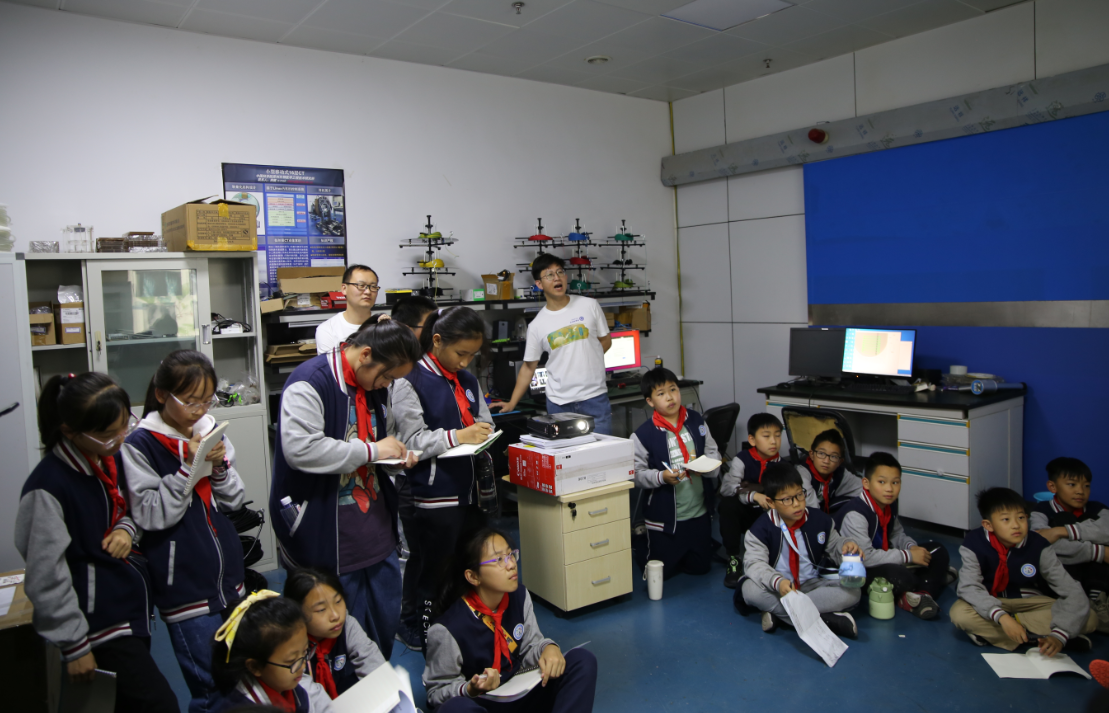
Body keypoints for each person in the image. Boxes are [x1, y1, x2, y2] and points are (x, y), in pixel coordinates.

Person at [15, 372, 179, 713]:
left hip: (127, 606)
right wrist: (74, 644)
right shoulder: (48, 487)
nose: (120, 439)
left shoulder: (106, 457)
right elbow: (46, 576)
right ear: (70, 432)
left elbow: (132, 508)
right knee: (160, 704)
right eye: (108, 435)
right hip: (97, 624)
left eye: (124, 427)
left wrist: (126, 529)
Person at [271, 319, 421, 661]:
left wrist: (394, 457)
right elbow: (301, 450)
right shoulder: (310, 381)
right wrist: (373, 451)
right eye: (387, 376)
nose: (387, 384)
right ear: (365, 354)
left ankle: (378, 685)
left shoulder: (375, 387)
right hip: (326, 535)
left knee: (381, 630)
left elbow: (378, 445)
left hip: (376, 531)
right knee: (336, 646)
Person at [123, 350, 246, 713]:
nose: (200, 410)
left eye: (207, 400)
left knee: (243, 677)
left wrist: (219, 467)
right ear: (162, 395)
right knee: (210, 689)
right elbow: (151, 515)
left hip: (228, 577)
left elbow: (235, 500)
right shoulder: (139, 445)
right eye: (191, 401)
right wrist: (187, 467)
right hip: (184, 586)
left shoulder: (209, 429)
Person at [392, 307, 494, 650]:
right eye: (461, 353)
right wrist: (458, 436)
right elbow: (411, 441)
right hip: (431, 493)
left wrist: (484, 431)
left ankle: (456, 624)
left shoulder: (466, 379)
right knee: (430, 569)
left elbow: (484, 420)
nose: (465, 362)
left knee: (466, 564)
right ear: (437, 341)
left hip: (470, 490)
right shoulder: (410, 379)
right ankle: (416, 627)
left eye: (472, 355)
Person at [423, 528, 597, 712]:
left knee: (582, 661)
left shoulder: (519, 596)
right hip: (484, 703)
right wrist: (470, 689)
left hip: (520, 692)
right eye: (499, 559)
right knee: (456, 708)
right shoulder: (448, 629)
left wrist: (547, 647)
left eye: (511, 554)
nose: (511, 564)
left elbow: (530, 647)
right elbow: (436, 691)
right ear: (473, 576)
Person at [949, 487, 1097, 654]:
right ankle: (1038, 639)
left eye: (1021, 517)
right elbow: (969, 587)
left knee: (1090, 618)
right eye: (1006, 519)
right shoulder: (973, 542)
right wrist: (1002, 617)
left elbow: (1071, 590)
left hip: (1031, 603)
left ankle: (1007, 635)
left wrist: (1059, 635)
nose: (1016, 525)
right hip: (991, 601)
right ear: (988, 525)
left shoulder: (1039, 545)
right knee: (960, 614)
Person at [736, 462, 862, 639]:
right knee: (750, 590)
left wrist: (846, 546)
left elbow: (835, 545)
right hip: (778, 588)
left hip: (812, 585)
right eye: (787, 499)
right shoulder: (759, 530)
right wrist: (777, 582)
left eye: (800, 495)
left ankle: (781, 617)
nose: (797, 504)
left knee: (853, 592)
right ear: (771, 502)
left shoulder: (820, 521)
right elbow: (755, 564)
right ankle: (826, 619)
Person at [490, 254, 612, 435]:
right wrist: (512, 403)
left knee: (603, 450)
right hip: (559, 403)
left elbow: (606, 340)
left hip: (594, 398)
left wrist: (587, 360)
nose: (557, 278)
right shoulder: (537, 325)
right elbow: (528, 367)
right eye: (549, 275)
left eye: (560, 272)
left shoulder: (589, 305)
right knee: (566, 452)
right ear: (539, 284)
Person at [834, 452, 952, 619]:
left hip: (884, 556)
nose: (889, 489)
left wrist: (912, 548)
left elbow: (897, 534)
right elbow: (865, 558)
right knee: (901, 577)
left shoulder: (889, 504)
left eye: (895, 482)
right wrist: (908, 556)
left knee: (938, 550)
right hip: (858, 570)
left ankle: (921, 596)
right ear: (866, 483)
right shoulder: (856, 514)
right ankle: (930, 580)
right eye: (881, 482)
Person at [631, 367, 719, 580]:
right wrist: (661, 477)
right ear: (650, 401)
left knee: (701, 568)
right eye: (661, 393)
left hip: (698, 512)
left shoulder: (696, 420)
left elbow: (713, 452)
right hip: (665, 517)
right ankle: (640, 541)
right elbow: (636, 474)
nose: (670, 397)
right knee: (661, 574)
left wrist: (708, 467)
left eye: (673, 389)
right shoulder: (643, 434)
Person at [210, 591, 332, 712]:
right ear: (255, 666)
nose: (303, 666)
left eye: (305, 651)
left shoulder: (290, 686)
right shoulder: (243, 707)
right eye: (291, 661)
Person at [1030, 457, 1109, 630]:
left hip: (1096, 579)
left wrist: (1061, 531)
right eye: (1072, 485)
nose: (1080, 491)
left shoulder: (1097, 509)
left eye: (1086, 486)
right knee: (1062, 519)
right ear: (1053, 487)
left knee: (1085, 522)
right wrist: (1100, 552)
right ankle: (1073, 604)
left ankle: (1097, 601)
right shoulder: (1041, 511)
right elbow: (1042, 544)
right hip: (1062, 579)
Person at [284, 568, 385, 698]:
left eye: (338, 601)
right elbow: (306, 695)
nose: (336, 615)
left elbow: (370, 659)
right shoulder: (289, 644)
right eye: (321, 609)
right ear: (297, 614)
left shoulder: (347, 624)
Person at [717, 413, 784, 588]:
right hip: (746, 514)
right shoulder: (742, 459)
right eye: (767, 436)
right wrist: (753, 495)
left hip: (768, 517)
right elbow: (726, 489)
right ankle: (733, 558)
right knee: (727, 505)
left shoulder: (782, 465)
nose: (773, 441)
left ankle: (775, 555)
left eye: (778, 435)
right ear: (752, 440)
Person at [314, 264, 381, 354]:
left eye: (373, 286)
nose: (368, 291)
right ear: (344, 288)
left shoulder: (384, 325)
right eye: (361, 285)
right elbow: (331, 363)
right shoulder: (327, 330)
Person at [796, 429, 861, 515]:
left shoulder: (840, 473)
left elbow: (865, 489)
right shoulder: (802, 475)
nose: (826, 461)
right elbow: (813, 511)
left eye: (833, 456)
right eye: (821, 453)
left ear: (840, 462)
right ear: (811, 454)